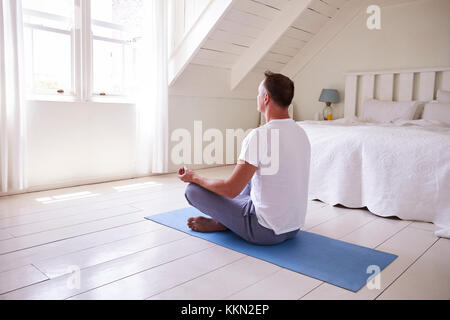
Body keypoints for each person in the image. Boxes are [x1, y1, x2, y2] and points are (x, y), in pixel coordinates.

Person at [178, 71, 311, 245]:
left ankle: (225, 222)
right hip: (293, 228)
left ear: (266, 98)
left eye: (258, 93)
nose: (257, 97)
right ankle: (226, 221)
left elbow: (230, 189)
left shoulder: (260, 135)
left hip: (264, 231)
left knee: (192, 191)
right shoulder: (301, 133)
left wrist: (194, 177)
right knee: (253, 173)